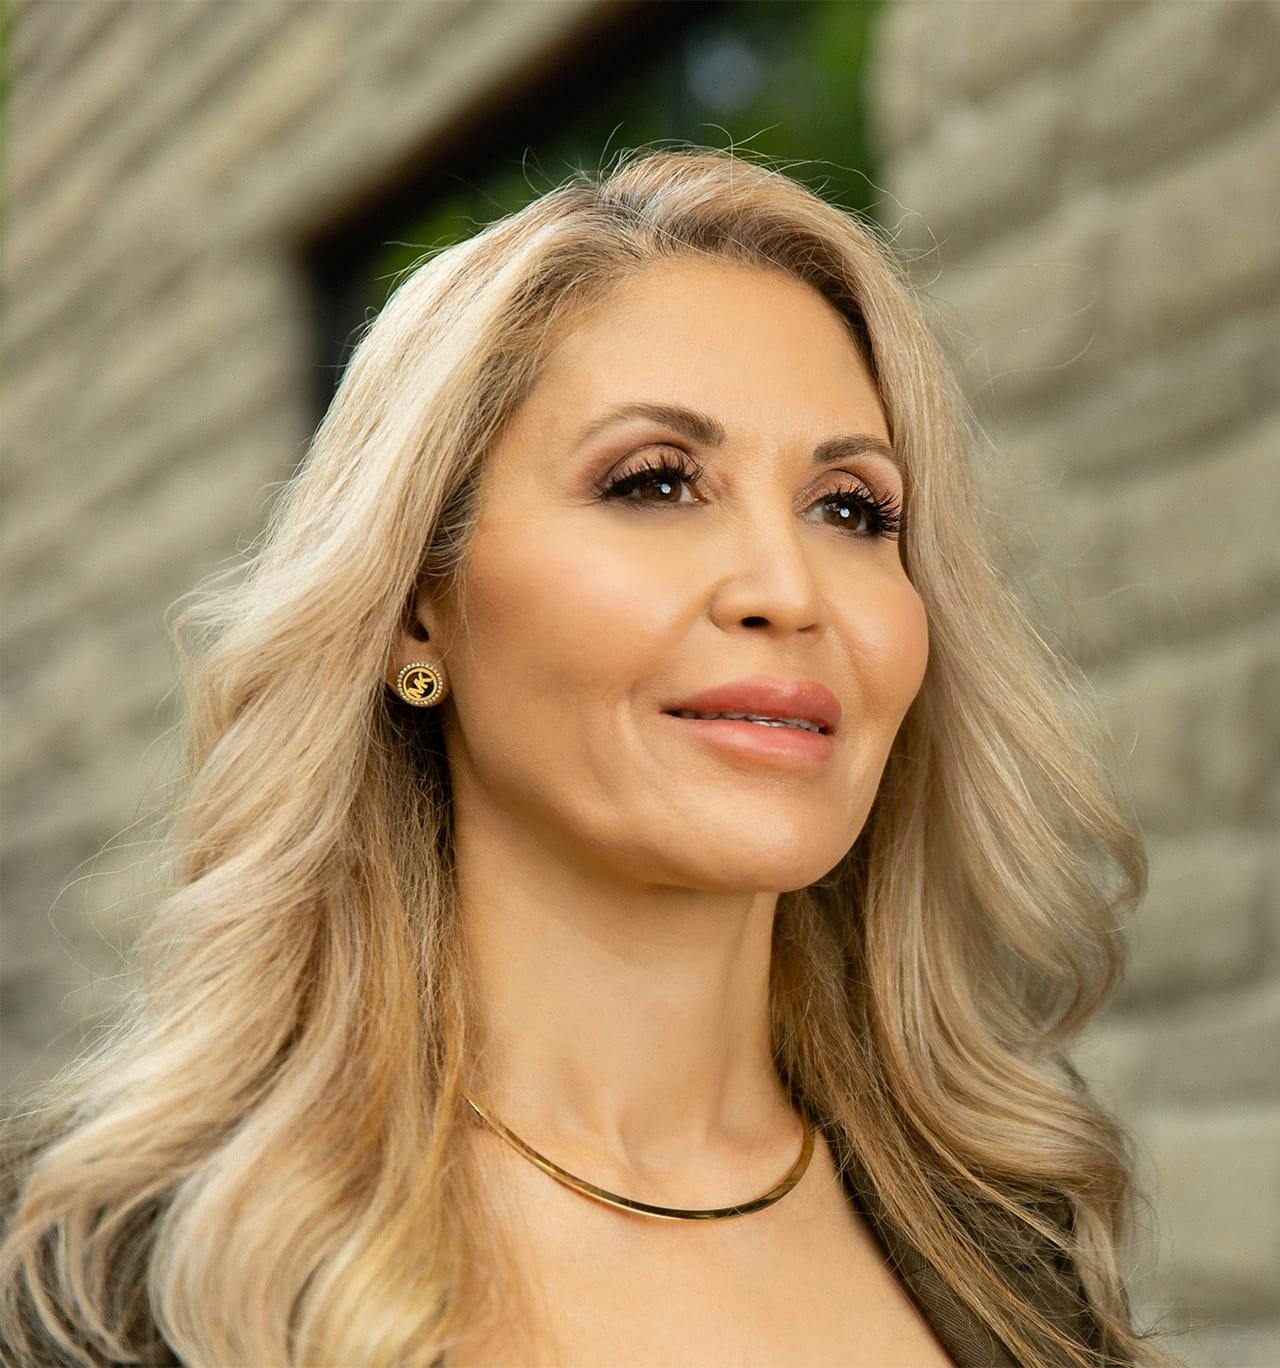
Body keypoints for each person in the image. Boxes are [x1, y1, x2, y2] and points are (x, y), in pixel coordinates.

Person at [0, 146, 1176, 1368]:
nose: (789, 588)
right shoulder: (104, 1277)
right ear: (416, 606)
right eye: (657, 483)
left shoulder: (1017, 1245)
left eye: (852, 508)